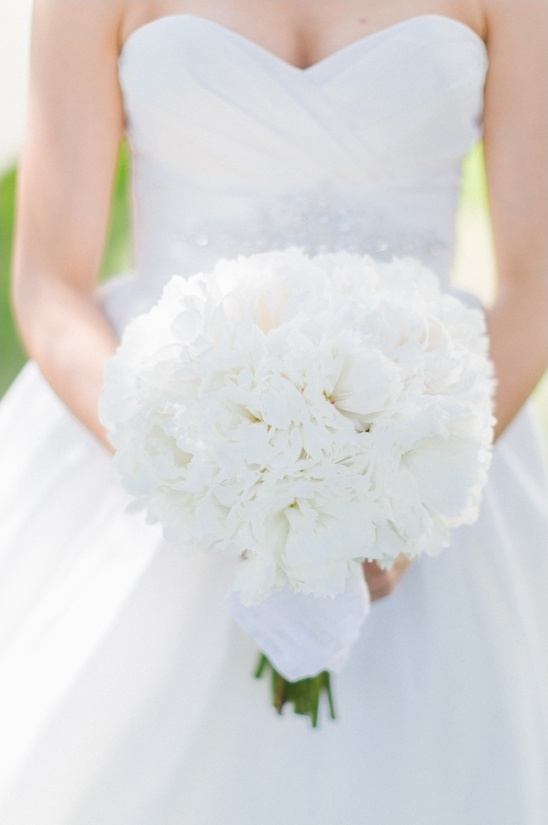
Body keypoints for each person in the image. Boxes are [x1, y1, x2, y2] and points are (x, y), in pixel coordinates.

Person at [0, 1, 546, 823]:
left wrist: (403, 495)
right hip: (147, 458)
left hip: (428, 464)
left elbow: (537, 282)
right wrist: (195, 469)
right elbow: (49, 282)